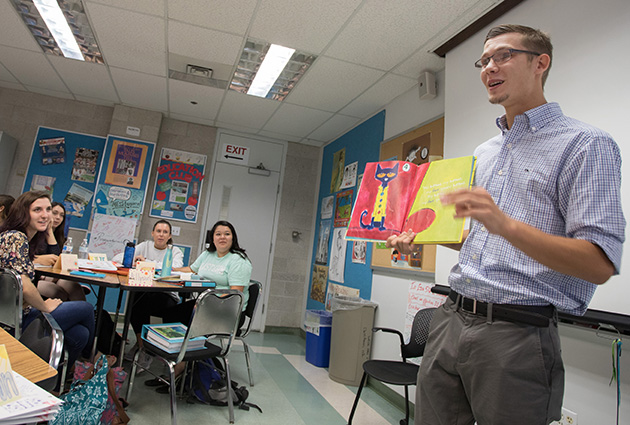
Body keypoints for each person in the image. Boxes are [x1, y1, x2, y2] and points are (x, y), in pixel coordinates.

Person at [388, 24, 625, 425]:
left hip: (517, 333)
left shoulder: (585, 144)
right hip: (450, 317)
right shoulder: (487, 151)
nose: (488, 68)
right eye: (484, 61)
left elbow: (599, 263)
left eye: (503, 56)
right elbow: (482, 239)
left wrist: (503, 224)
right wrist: (425, 238)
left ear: (540, 63)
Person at [0, 191, 95, 380]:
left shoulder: (26, 239)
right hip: (14, 321)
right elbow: (25, 286)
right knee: (86, 308)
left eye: (48, 209)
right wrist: (45, 306)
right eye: (37, 210)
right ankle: (90, 360)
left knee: (80, 334)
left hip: (16, 314)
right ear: (23, 212)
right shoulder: (15, 237)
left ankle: (60, 380)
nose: (45, 215)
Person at [144, 220, 252, 387]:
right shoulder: (208, 254)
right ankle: (178, 363)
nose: (222, 237)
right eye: (218, 234)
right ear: (212, 237)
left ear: (233, 238)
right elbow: (191, 270)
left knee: (187, 319)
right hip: (206, 306)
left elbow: (235, 295)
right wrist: (163, 271)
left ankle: (182, 368)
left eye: (227, 234)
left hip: (227, 313)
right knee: (171, 314)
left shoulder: (239, 260)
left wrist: (207, 304)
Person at [115, 220, 184, 367]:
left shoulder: (174, 251)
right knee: (135, 302)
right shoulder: (144, 246)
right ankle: (143, 347)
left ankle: (145, 348)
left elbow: (175, 268)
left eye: (165, 232)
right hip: (144, 292)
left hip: (166, 294)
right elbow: (118, 258)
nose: (161, 235)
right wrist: (132, 260)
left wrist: (146, 263)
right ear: (153, 233)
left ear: (170, 235)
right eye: (158, 231)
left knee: (147, 303)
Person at [34, 202, 87, 301]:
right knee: (59, 293)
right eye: (55, 213)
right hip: (36, 277)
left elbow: (56, 258)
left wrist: (50, 231)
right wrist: (48, 230)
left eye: (61, 215)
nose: (58, 217)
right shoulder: (36, 233)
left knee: (74, 287)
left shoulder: (59, 235)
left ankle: (84, 314)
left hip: (53, 276)